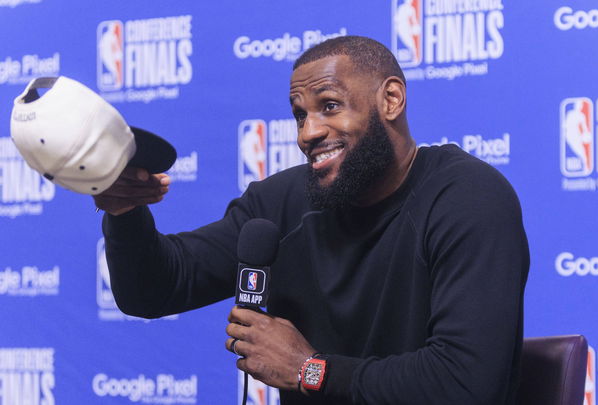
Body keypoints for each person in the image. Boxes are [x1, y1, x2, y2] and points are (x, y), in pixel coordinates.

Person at [94, 36, 529, 404]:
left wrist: (309, 369)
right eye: (300, 114)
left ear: (391, 99)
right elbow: (153, 290)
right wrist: (125, 212)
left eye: (330, 106)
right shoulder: (280, 202)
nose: (308, 132)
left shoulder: (468, 197)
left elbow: (466, 384)